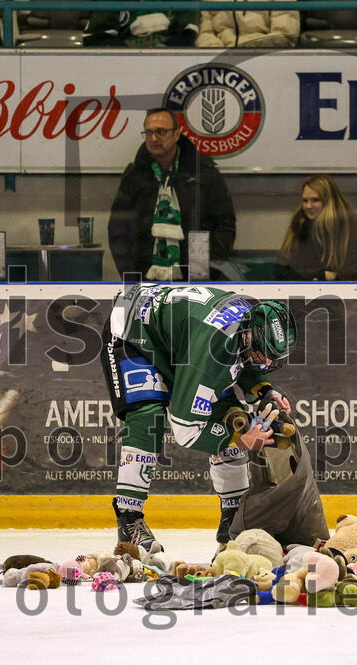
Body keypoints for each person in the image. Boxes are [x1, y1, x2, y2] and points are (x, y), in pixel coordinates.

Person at [101, 283, 296, 552]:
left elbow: (243, 362)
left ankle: (233, 522)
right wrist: (240, 440)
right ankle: (129, 520)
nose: (266, 364)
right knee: (148, 420)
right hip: (134, 334)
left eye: (272, 358)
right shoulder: (210, 354)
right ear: (249, 338)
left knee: (233, 418)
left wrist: (263, 390)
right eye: (263, 355)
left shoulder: (248, 327)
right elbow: (185, 430)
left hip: (178, 338)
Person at [107, 108, 236, 281]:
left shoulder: (202, 172)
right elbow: (118, 228)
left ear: (176, 134)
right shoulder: (135, 175)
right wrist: (132, 275)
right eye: (149, 132)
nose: (154, 138)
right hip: (145, 278)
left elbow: (225, 224)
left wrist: (209, 268)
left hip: (196, 278)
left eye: (161, 131)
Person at [276, 175, 357, 281]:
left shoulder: (351, 226)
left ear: (329, 201)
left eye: (315, 200)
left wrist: (323, 277)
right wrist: (316, 277)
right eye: (305, 200)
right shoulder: (299, 223)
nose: (308, 206)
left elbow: (353, 273)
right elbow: (284, 267)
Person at [195, 1, 299, 48]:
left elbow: (284, 36)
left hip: (264, 59)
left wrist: (242, 47)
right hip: (220, 60)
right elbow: (204, 33)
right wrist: (216, 51)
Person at [83, 6, 199, 47]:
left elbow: (187, 33)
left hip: (169, 63)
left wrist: (168, 50)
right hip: (124, 68)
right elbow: (96, 39)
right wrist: (128, 55)